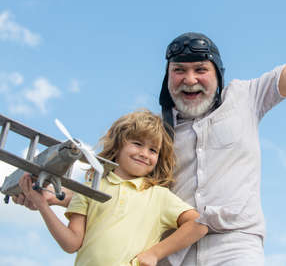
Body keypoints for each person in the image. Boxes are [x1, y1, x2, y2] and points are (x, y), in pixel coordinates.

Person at [15, 0, 286, 265]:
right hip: (171, 251)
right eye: (179, 71)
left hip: (234, 243)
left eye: (199, 70)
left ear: (217, 74)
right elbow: (119, 193)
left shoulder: (248, 97)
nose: (189, 79)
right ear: (168, 78)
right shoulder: (154, 136)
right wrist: (48, 196)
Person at [18, 110, 208, 266]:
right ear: (118, 146)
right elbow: (71, 243)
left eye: (153, 150)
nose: (144, 154)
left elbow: (198, 225)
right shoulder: (90, 189)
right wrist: (43, 206)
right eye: (137, 144)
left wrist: (155, 253)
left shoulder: (158, 196)